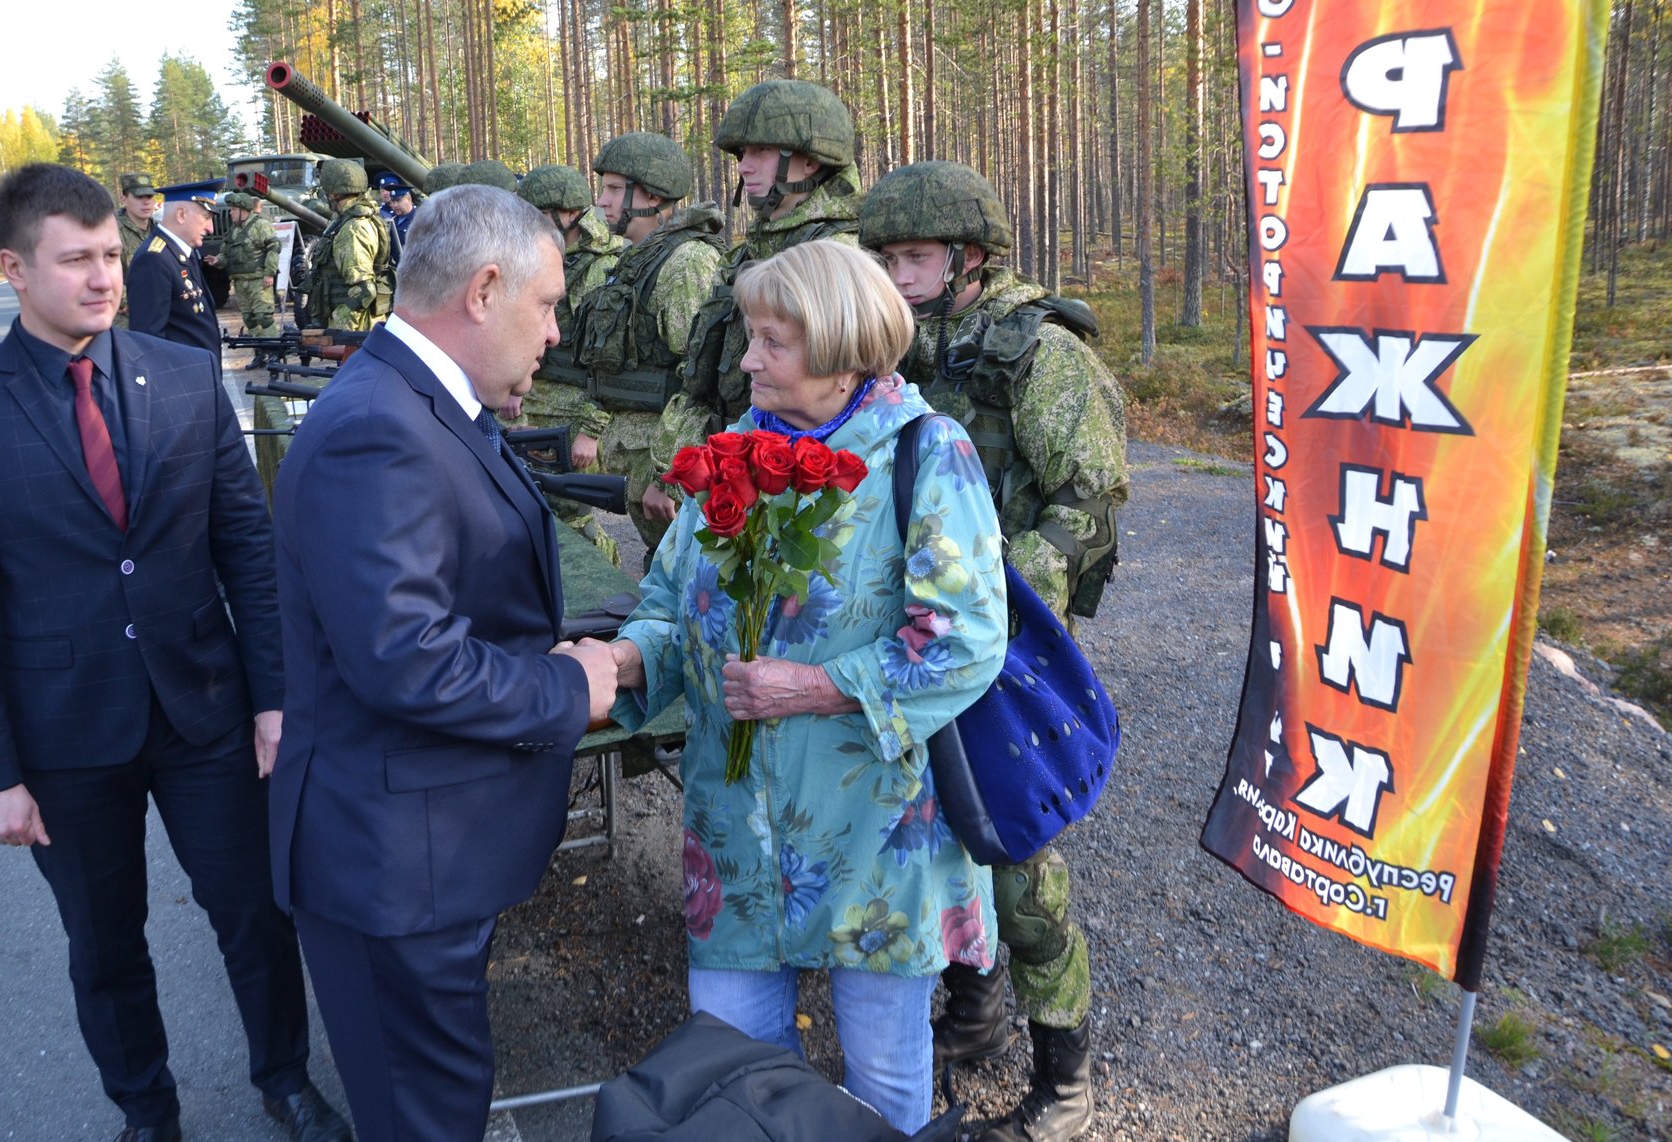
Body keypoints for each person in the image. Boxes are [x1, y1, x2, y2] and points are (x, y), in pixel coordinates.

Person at [0, 163, 349, 1142]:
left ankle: (284, 1077)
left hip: (205, 708)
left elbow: (247, 548)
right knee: (105, 945)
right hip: (63, 737)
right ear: (14, 269)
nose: (104, 276)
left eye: (110, 253)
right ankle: (147, 1112)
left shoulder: (183, 377)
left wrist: (274, 698)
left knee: (255, 912)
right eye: (76, 260)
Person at [604, 239, 1008, 1133]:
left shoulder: (925, 453)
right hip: (735, 831)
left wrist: (819, 687)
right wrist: (624, 662)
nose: (747, 360)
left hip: (876, 832)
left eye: (771, 342)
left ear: (841, 349)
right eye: (750, 336)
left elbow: (966, 637)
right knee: (728, 1072)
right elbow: (669, 603)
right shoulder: (735, 451)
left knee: (882, 1085)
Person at [268, 184, 620, 1141]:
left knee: (443, 1099)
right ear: (484, 290)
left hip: (422, 854)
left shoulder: (420, 401)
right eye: (545, 306)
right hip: (391, 867)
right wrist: (567, 684)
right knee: (424, 1116)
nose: (553, 333)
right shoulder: (377, 427)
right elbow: (405, 659)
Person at [861, 160, 1129, 1142]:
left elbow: (1089, 496)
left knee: (1015, 852)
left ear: (969, 257)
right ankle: (973, 1010)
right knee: (930, 835)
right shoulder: (898, 343)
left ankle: (1066, 1076)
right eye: (886, 259)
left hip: (999, 637)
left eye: (914, 258)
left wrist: (1000, 603)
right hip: (911, 633)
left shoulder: (1037, 352)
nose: (897, 277)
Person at [667, 79, 865, 458]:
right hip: (735, 455)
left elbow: (849, 393)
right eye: (742, 153)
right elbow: (698, 377)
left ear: (810, 161)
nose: (744, 166)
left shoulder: (839, 256)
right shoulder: (744, 255)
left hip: (800, 466)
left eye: (760, 151)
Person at [575, 131, 725, 557]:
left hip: (664, 463)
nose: (601, 201)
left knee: (685, 570)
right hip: (638, 454)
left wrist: (669, 476)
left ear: (653, 196)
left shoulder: (687, 261)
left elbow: (698, 380)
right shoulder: (636, 259)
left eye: (613, 189)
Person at [516, 163, 625, 565]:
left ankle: (606, 584)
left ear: (568, 214)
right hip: (539, 407)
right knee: (543, 511)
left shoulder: (601, 267)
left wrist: (591, 431)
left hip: (576, 416)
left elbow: (609, 359)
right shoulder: (546, 257)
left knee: (573, 519)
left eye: (537, 214)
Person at [126, 179, 224, 367]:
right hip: (182, 379)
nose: (210, 228)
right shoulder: (153, 259)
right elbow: (149, 342)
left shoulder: (184, 253)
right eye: (206, 217)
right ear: (181, 215)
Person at [306, 159, 392, 332]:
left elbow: (363, 290)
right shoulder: (345, 222)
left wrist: (341, 330)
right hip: (356, 327)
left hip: (355, 330)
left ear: (333, 194)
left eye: (325, 190)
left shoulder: (352, 229)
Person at [220, 191, 282, 369]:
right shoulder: (233, 231)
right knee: (250, 319)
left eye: (233, 209)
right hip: (240, 282)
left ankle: (274, 353)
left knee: (264, 317)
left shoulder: (261, 225)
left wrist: (269, 273)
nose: (230, 213)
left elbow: (273, 248)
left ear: (244, 210)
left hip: (258, 281)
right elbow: (225, 254)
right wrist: (217, 260)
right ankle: (260, 353)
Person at [113, 172, 158, 327]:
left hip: (158, 313)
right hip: (127, 317)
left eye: (149, 196)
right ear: (124, 199)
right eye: (139, 197)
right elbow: (106, 274)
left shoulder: (159, 231)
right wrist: (129, 301)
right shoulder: (112, 232)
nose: (146, 202)